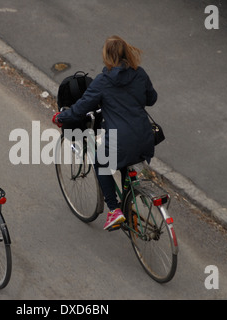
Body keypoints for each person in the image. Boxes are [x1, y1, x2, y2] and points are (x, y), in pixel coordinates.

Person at [52, 35, 158, 230]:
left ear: (107, 57)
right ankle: (129, 203)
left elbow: (81, 108)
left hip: (121, 141)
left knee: (101, 162)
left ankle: (113, 210)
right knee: (126, 163)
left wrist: (61, 117)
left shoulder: (103, 81)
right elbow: (151, 99)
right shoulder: (139, 73)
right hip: (145, 137)